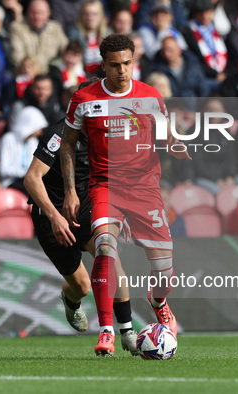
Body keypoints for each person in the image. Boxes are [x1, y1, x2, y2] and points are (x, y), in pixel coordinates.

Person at [61, 34, 190, 356]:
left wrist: (173, 143)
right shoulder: (85, 98)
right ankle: (106, 331)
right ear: (103, 65)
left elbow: (163, 132)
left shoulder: (150, 96)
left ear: (135, 61)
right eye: (115, 65)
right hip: (106, 186)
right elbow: (66, 144)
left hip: (145, 189)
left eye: (127, 63)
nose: (122, 71)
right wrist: (69, 192)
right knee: (105, 246)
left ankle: (158, 301)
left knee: (164, 269)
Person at [24, 95, 138, 354]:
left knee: (110, 257)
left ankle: (127, 331)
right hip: (51, 216)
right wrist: (54, 216)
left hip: (86, 207)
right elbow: (31, 179)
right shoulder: (57, 134)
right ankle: (71, 299)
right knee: (82, 287)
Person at [9, 0, 68, 74]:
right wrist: (31, 69)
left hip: (51, 75)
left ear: (48, 14)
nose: (37, 17)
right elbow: (17, 58)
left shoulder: (55, 28)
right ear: (27, 13)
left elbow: (66, 49)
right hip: (27, 76)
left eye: (41, 13)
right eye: (33, 13)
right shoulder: (17, 28)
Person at [0, 106, 47, 193]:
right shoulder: (8, 139)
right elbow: (2, 169)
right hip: (10, 182)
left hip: (28, 180)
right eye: (37, 128)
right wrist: (23, 172)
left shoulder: (33, 141)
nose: (39, 132)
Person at [67, 0, 110, 76]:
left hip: (103, 75)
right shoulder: (74, 34)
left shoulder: (108, 34)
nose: (90, 17)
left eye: (94, 14)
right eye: (86, 14)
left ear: (100, 16)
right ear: (81, 16)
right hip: (82, 74)